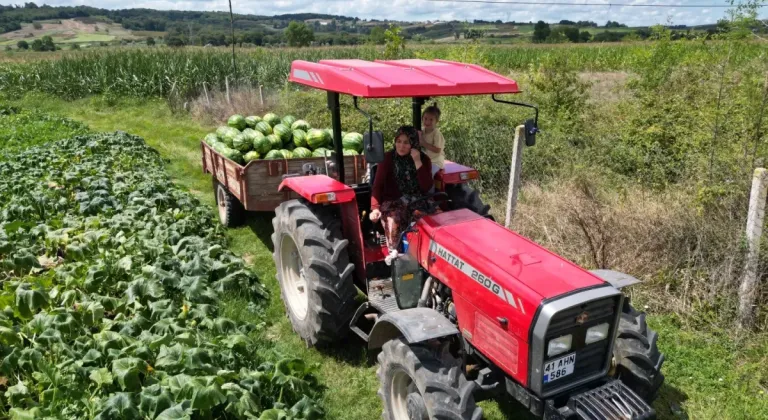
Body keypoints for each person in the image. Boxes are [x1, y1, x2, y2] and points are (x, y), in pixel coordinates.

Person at [370, 126, 435, 264]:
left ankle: (428, 256)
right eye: (398, 141)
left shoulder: (424, 160)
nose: (401, 146)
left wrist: (417, 161)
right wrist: (375, 208)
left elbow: (427, 186)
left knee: (429, 220)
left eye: (406, 142)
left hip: (417, 199)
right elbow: (378, 185)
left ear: (413, 144)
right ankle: (396, 259)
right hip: (393, 201)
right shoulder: (388, 158)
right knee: (394, 220)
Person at [420, 103, 446, 178]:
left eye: (431, 120)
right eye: (425, 119)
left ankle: (430, 190)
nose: (427, 122)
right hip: (426, 160)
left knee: (428, 175)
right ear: (422, 118)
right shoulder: (422, 131)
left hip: (435, 161)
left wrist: (424, 143)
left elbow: (437, 150)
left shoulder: (437, 134)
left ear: (436, 121)